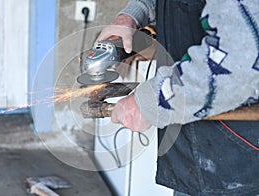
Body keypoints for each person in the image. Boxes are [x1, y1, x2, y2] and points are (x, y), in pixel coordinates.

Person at [97, 0, 259, 195]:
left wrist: (151, 102)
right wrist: (132, 15)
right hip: (195, 153)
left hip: (236, 161)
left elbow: (239, 61)